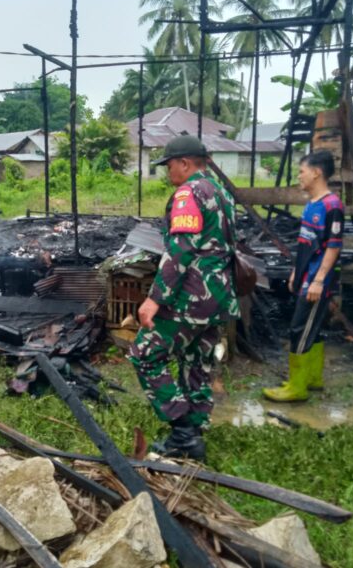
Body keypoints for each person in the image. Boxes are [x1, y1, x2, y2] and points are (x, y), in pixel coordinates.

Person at [128, 136, 239, 461]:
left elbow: (180, 250)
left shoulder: (188, 193)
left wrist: (155, 299)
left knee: (144, 353)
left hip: (191, 297)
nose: (168, 172)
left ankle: (182, 431)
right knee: (197, 362)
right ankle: (195, 431)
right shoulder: (221, 192)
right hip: (218, 297)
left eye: (170, 165)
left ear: (186, 163)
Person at [263, 150, 343, 402]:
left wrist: (318, 280)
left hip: (318, 281)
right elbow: (307, 244)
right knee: (313, 328)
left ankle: (296, 388)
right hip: (306, 275)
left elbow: (333, 246)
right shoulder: (311, 204)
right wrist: (297, 271)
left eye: (302, 171)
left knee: (299, 328)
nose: (299, 176)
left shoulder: (332, 206)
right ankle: (312, 378)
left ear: (317, 172)